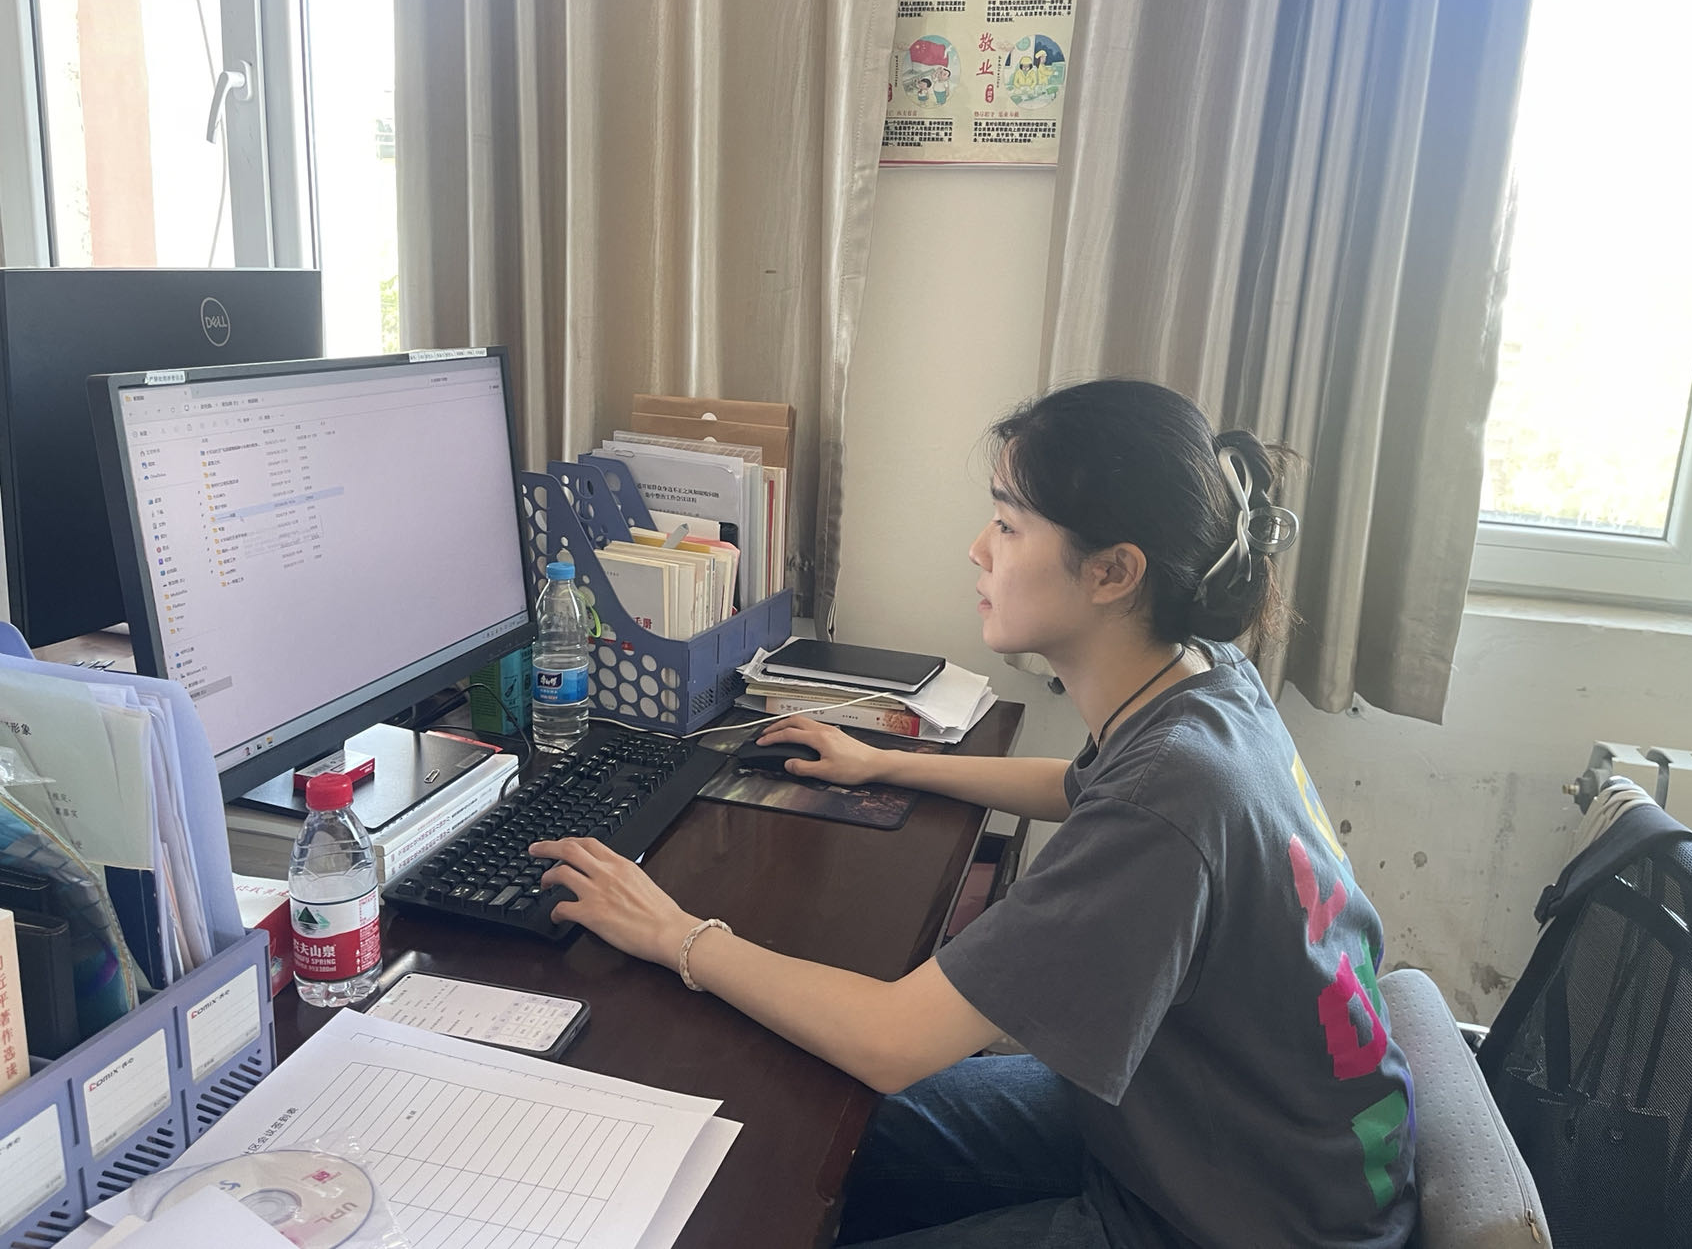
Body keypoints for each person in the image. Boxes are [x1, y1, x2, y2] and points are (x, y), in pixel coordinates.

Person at [529, 379, 1418, 1247]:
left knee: (832, 1113)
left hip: (1236, 1218)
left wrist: (675, 933)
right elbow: (1083, 788)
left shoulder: (1169, 800)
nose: (977, 550)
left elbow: (892, 1039)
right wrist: (886, 762)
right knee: (823, 1128)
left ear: (1113, 571)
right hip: (1217, 1136)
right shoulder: (1207, 679)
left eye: (1008, 524)